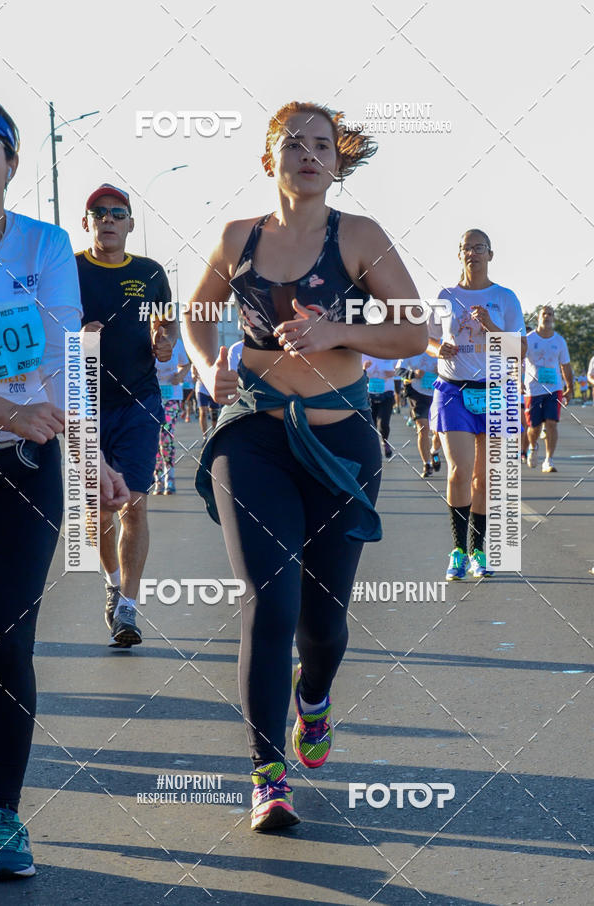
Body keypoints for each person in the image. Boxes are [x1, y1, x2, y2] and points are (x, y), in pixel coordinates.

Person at [183, 101, 425, 831]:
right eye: (294, 144)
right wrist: (206, 368)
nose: (309, 154)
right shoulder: (236, 237)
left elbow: (415, 329)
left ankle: (312, 696)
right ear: (269, 160)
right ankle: (266, 775)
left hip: (340, 445)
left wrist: (336, 330)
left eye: (322, 145)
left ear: (337, 162)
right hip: (252, 437)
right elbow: (197, 313)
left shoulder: (358, 237)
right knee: (269, 601)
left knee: (321, 626)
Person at [0, 102, 129, 879]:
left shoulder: (44, 245)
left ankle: (2, 814)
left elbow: (60, 355)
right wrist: (9, 403)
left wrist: (91, 456)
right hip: (18, 421)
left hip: (23, 464)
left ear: (12, 163)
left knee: (6, 637)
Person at [77, 184, 177, 646]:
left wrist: (165, 341)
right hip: (84, 401)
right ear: (87, 223)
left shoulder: (150, 272)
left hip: (139, 401)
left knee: (134, 503)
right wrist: (76, 335)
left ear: (131, 224)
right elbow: (45, 325)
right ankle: (113, 584)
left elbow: (166, 322)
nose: (108, 219)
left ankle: (130, 610)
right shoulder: (70, 269)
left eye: (118, 213)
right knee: (99, 510)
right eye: (99, 213)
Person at [428, 229, 526, 581]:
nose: (473, 253)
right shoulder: (446, 295)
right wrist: (435, 349)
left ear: (490, 254)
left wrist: (490, 325)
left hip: (495, 391)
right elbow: (425, 338)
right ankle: (457, 551)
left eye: (479, 247)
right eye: (467, 248)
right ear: (459, 255)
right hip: (453, 390)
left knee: (483, 478)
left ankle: (479, 550)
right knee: (459, 470)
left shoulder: (505, 297)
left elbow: (519, 350)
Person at [524, 305, 573, 473]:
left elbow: (565, 365)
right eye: (544, 314)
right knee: (534, 427)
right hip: (533, 389)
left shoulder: (559, 341)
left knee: (552, 424)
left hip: (554, 389)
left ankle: (548, 460)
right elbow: (517, 361)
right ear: (538, 318)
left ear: (553, 318)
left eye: (550, 314)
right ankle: (533, 446)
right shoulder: (529, 339)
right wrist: (517, 382)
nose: (547, 316)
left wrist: (570, 387)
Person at [153, 337, 191, 493]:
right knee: (153, 438)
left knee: (166, 437)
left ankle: (170, 477)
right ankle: (158, 479)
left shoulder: (177, 343)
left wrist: (180, 376)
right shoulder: (145, 339)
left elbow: (186, 364)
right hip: (151, 396)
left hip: (171, 396)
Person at [399, 351, 438, 478]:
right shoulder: (413, 346)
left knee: (439, 432)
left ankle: (434, 451)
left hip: (439, 394)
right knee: (423, 428)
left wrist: (444, 371)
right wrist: (413, 374)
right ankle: (427, 464)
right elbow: (398, 370)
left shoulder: (443, 345)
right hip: (417, 394)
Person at [362, 356, 398, 459]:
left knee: (383, 423)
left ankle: (385, 443)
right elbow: (355, 374)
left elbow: (400, 369)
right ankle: (374, 448)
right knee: (371, 424)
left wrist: (393, 373)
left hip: (387, 393)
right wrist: (363, 368)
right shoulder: (363, 354)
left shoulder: (389, 353)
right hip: (370, 395)